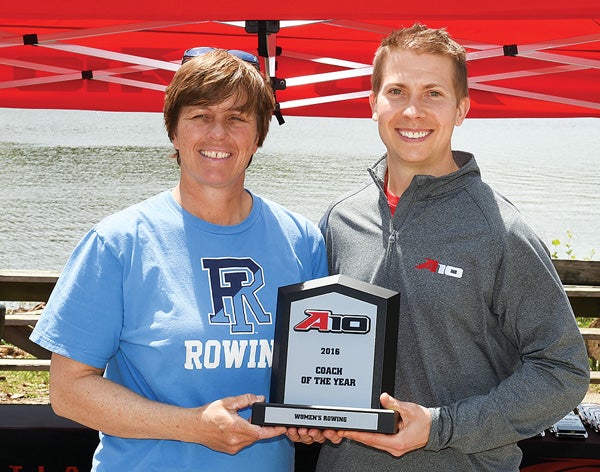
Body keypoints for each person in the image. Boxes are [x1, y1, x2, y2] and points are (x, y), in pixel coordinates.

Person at [30, 48, 328, 471]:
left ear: (259, 134)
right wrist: (192, 425)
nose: (218, 134)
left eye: (238, 118)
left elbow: (314, 376)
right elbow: (68, 391)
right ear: (174, 130)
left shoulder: (302, 241)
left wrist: (315, 416)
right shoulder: (118, 242)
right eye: (200, 116)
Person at [314, 23, 590, 471]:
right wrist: (309, 411)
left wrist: (442, 426)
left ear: (461, 109)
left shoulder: (501, 231)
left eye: (434, 94)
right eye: (397, 91)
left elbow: (563, 370)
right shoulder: (339, 220)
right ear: (373, 104)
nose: (413, 111)